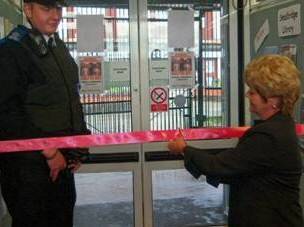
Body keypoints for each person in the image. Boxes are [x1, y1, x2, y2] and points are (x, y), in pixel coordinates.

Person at [168, 55, 304, 227]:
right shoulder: (281, 126)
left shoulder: (269, 136)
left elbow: (219, 166)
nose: (247, 95)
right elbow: (238, 166)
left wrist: (183, 148)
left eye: (253, 92)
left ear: (272, 100)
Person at [0, 0, 90, 226]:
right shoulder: (11, 50)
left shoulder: (56, 47)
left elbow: (71, 99)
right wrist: (50, 152)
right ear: (28, 10)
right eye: (46, 8)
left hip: (61, 164)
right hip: (29, 169)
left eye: (58, 8)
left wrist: (79, 143)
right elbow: (8, 113)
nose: (55, 15)